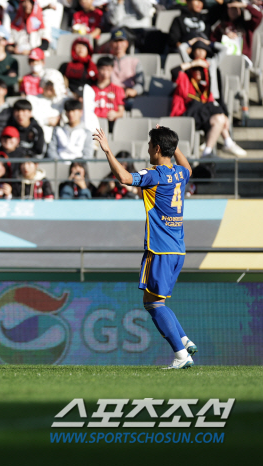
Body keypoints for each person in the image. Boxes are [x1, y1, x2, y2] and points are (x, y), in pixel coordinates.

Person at [94, 125, 198, 369]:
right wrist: (173, 146)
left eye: (151, 145)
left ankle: (181, 355)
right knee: (157, 302)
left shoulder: (155, 175)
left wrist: (108, 151)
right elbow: (189, 168)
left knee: (152, 304)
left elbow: (125, 178)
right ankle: (183, 339)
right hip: (178, 249)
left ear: (157, 148)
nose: (148, 149)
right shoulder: (180, 174)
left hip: (160, 250)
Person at [170, 42, 246, 158]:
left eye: (201, 70)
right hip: (185, 115)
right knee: (210, 108)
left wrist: (223, 116)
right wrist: (193, 63)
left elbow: (211, 103)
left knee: (219, 118)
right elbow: (174, 71)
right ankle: (228, 142)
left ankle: (208, 151)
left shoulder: (205, 88)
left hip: (200, 118)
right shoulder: (184, 79)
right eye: (196, 69)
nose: (198, 71)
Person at [107, 28, 144, 101]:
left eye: (121, 41)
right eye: (115, 41)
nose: (119, 44)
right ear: (110, 44)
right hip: (109, 96)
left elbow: (140, 83)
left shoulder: (134, 62)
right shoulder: (106, 61)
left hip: (127, 96)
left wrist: (134, 91)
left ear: (126, 43)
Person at [92, 56, 125, 130]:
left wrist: (116, 114)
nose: (105, 73)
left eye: (108, 70)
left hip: (110, 124)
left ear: (112, 70)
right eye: (103, 69)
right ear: (97, 69)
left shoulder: (118, 89)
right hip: (94, 123)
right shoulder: (90, 89)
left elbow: (121, 112)